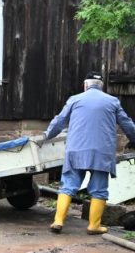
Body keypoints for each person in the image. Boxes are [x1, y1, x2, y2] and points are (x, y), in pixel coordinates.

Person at [44, 72, 135, 234]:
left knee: (68, 186)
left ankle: (58, 221)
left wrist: (47, 135)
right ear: (101, 87)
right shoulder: (112, 101)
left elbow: (59, 121)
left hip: (76, 151)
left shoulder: (75, 99)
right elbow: (127, 123)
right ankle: (93, 225)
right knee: (99, 190)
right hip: (102, 153)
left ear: (85, 85)